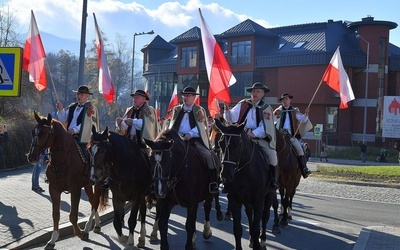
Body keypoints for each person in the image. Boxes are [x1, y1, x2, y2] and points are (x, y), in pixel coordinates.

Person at [224, 82, 279, 189]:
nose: (255, 93)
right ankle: (226, 180)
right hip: (242, 135)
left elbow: (266, 126)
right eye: (253, 91)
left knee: (272, 155)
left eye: (258, 91)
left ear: (263, 94)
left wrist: (253, 133)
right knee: (228, 151)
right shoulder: (243, 104)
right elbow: (231, 118)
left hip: (259, 137)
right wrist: (227, 110)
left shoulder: (266, 108)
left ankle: (273, 180)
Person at [168, 86, 219, 193]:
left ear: (193, 97)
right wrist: (176, 135)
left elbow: (201, 126)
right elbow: (171, 125)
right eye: (184, 96)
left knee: (209, 155)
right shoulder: (177, 109)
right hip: (177, 139)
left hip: (193, 140)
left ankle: (213, 181)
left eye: (188, 96)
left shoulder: (199, 110)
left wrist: (190, 134)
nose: (185, 98)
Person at [274, 93, 312, 178]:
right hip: (280, 135)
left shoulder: (294, 111)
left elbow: (303, 120)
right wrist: (276, 115)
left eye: (286, 99)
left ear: (290, 100)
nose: (284, 101)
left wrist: (306, 114)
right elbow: (273, 119)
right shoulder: (278, 111)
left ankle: (304, 169)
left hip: (291, 135)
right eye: (283, 99)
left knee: (300, 150)